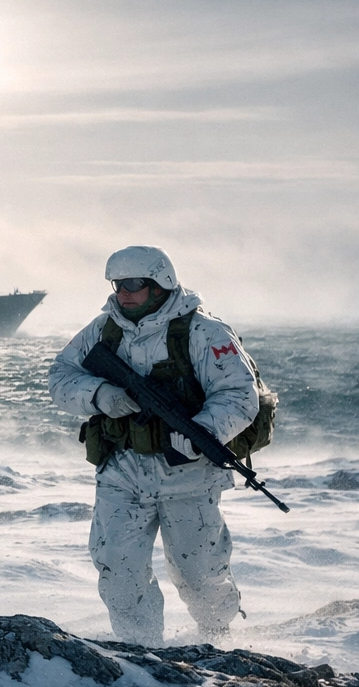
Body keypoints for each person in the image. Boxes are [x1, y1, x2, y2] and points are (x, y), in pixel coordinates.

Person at [49, 245, 260, 647]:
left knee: (199, 571)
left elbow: (239, 395)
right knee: (118, 568)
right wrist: (99, 394)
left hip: (189, 472)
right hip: (123, 468)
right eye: (118, 285)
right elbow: (61, 376)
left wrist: (203, 431)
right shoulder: (103, 329)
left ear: (160, 284)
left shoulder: (203, 332)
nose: (123, 293)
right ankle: (142, 652)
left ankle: (220, 641)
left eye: (134, 285)